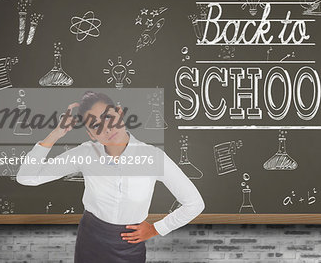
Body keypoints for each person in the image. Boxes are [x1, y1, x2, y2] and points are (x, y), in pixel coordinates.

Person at [16, 90, 205, 263]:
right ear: (90, 134)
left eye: (108, 117)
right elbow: (27, 177)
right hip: (90, 240)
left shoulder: (153, 157)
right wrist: (56, 133)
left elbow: (194, 203)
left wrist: (157, 228)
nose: (107, 128)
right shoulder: (85, 153)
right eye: (96, 125)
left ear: (120, 113)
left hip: (130, 245)